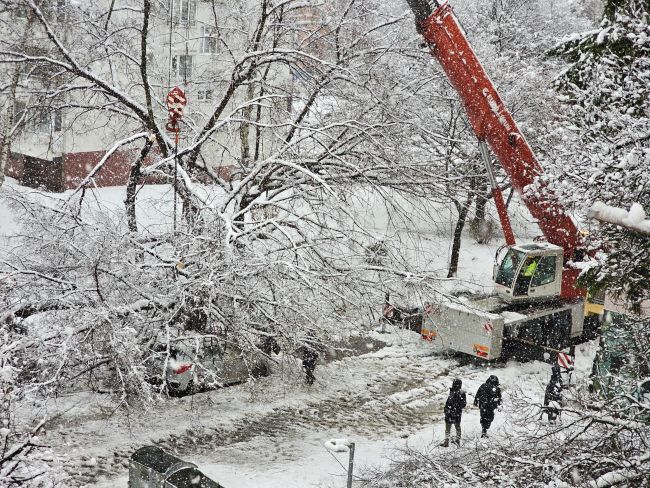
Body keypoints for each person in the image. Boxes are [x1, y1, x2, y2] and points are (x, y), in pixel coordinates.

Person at [441, 378, 466, 447]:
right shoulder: (462, 393)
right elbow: (463, 404)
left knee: (448, 427)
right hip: (457, 413)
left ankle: (446, 442)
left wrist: (447, 409)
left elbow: (449, 402)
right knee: (457, 426)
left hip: (450, 413)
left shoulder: (453, 391)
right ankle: (457, 441)